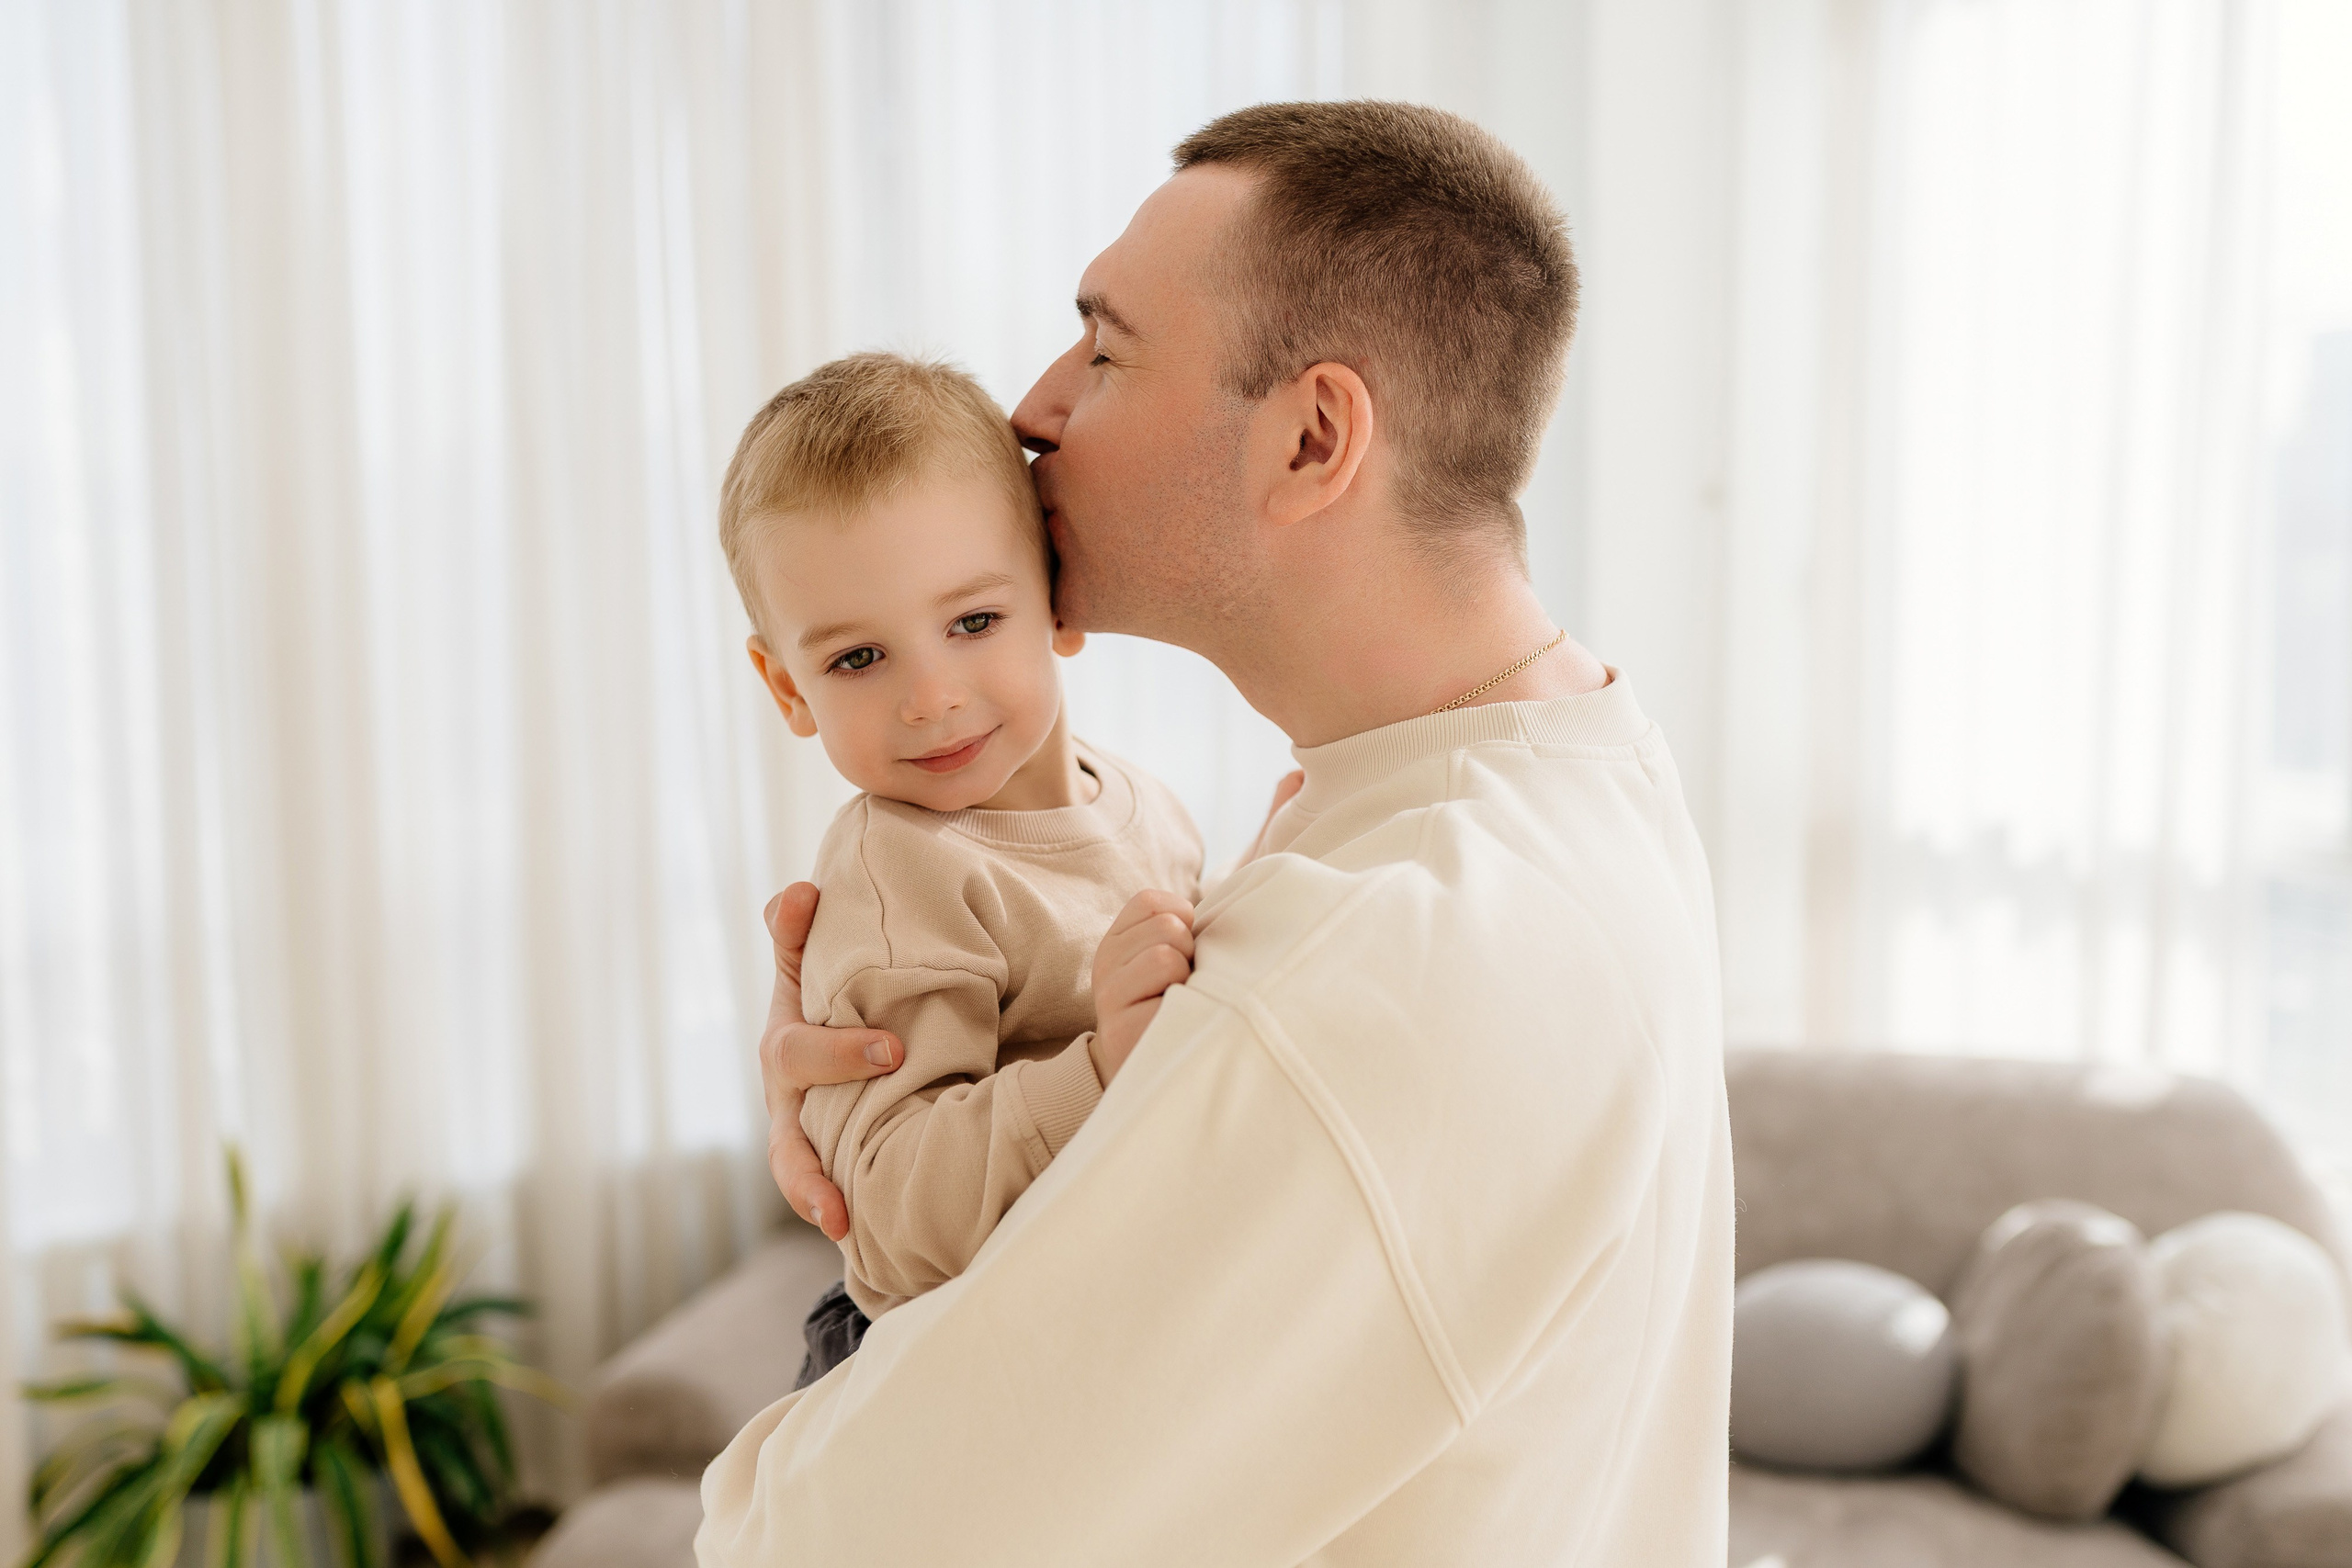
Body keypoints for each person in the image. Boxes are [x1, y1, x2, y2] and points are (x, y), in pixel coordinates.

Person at [700, 101, 1733, 1566]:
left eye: (1107, 347)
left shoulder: (1377, 957)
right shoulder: (1585, 764)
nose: (1035, 408)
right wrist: (886, 1075)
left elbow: (816, 1539)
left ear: (1313, 437)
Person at [716, 352, 1206, 1387]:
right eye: (857, 658)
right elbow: (887, 1225)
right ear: (786, 688)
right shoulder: (904, 876)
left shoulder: (1146, 806)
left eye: (973, 623)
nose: (930, 697)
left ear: (1054, 595)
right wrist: (1100, 1069)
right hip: (906, 1360)